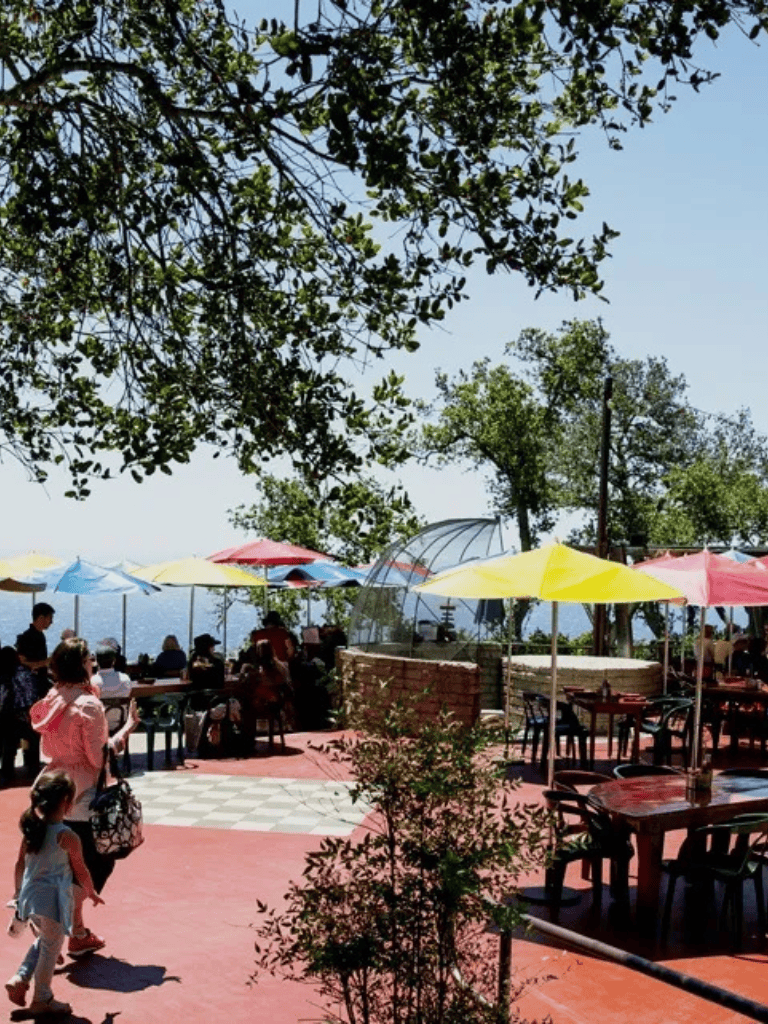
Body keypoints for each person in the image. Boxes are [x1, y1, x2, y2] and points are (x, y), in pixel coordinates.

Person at [28, 638, 139, 956]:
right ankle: (61, 923)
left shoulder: (52, 698)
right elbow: (97, 758)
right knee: (96, 862)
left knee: (63, 864)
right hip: (82, 798)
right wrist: (126, 732)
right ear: (83, 666)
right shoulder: (88, 705)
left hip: (50, 790)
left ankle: (75, 931)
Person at [5, 770, 104, 1015]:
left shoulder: (32, 830)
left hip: (30, 899)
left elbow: (19, 865)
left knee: (45, 942)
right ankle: (42, 998)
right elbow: (80, 870)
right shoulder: (67, 836)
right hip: (51, 902)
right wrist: (91, 892)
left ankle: (21, 977)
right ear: (66, 803)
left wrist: (18, 893)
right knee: (51, 948)